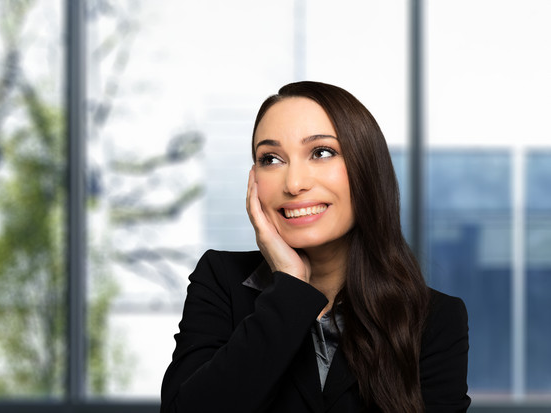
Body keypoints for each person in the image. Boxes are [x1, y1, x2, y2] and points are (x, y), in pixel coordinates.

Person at [160, 81, 470, 413]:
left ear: (366, 169)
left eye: (321, 152)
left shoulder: (434, 319)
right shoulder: (221, 280)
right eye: (272, 159)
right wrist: (290, 288)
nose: (294, 184)